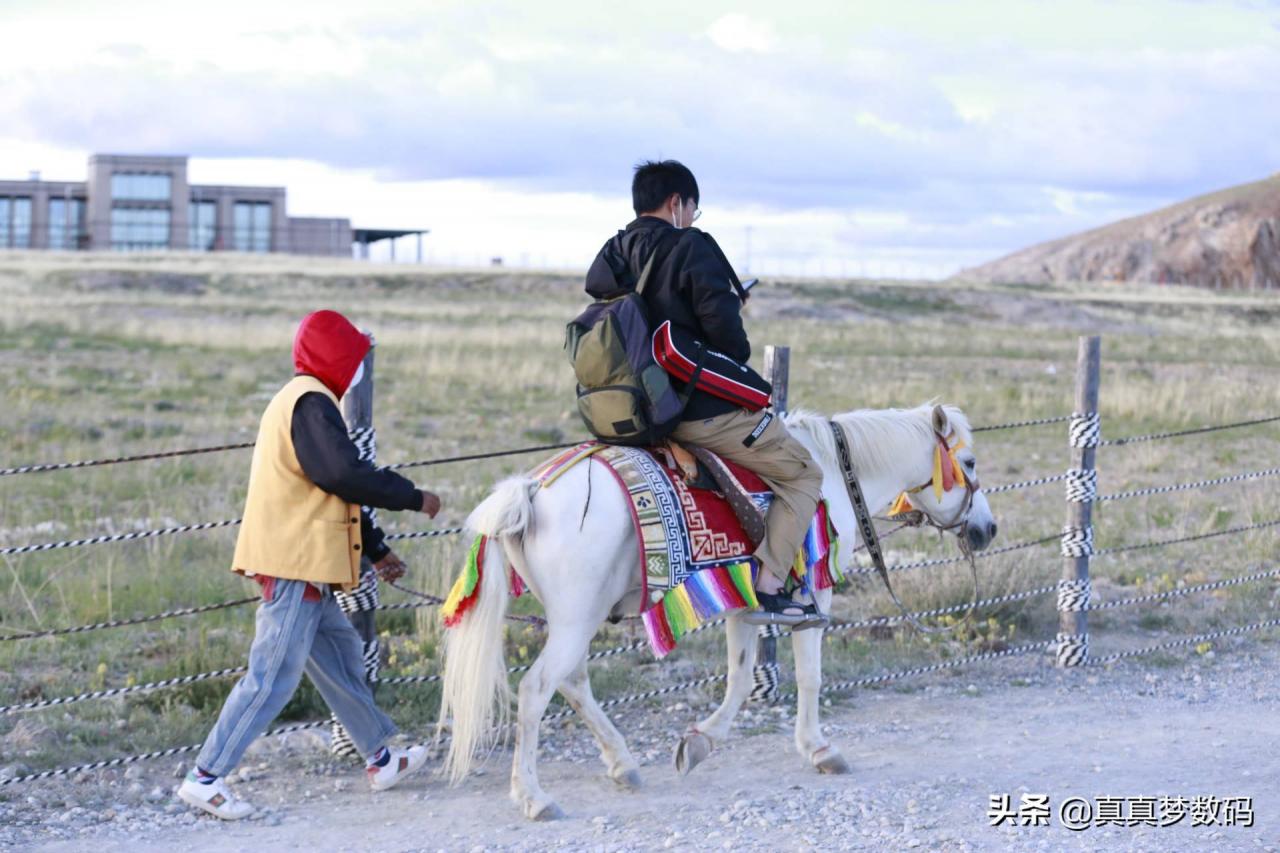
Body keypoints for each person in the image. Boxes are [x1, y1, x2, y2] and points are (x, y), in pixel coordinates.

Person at [178, 309, 443, 820]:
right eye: (353, 357)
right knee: (272, 675)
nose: (357, 367)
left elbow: (332, 490)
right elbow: (344, 475)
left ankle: (382, 758)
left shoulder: (305, 401)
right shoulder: (311, 404)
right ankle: (205, 776)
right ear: (337, 358)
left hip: (306, 561)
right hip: (294, 563)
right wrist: (411, 497)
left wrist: (378, 550)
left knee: (342, 659)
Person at [584, 160, 825, 628]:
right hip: (696, 412)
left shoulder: (612, 253)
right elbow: (731, 343)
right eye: (693, 208)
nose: (693, 218)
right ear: (677, 204)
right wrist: (731, 308)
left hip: (625, 410)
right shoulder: (692, 246)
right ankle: (772, 589)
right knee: (804, 476)